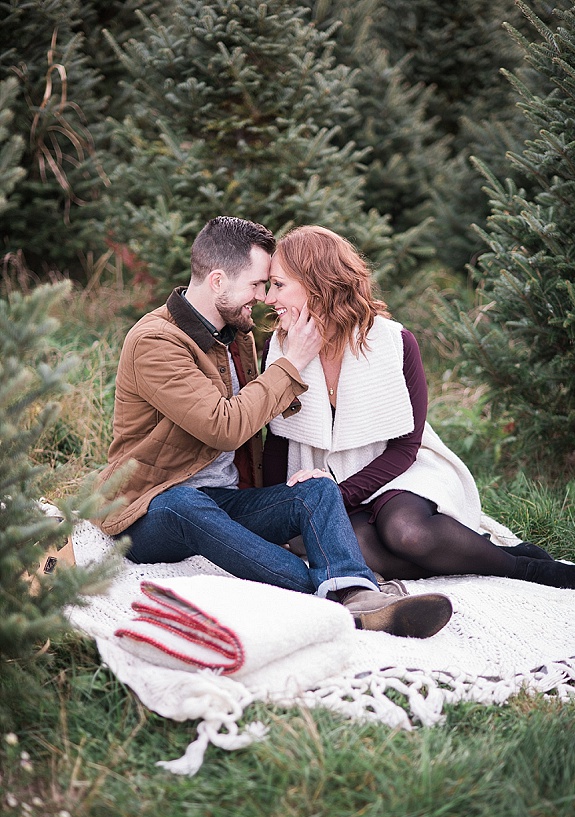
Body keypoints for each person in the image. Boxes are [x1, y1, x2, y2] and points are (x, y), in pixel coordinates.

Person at [94, 216, 453, 638]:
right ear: (217, 280)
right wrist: (292, 363)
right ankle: (342, 598)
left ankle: (354, 590)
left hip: (225, 500)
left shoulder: (236, 334)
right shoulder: (156, 341)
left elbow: (265, 425)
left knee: (316, 490)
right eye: (256, 285)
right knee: (184, 505)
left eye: (270, 286)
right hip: (149, 508)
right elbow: (224, 427)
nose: (264, 298)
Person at [262, 224, 575, 592]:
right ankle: (484, 554)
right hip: (327, 483)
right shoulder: (278, 351)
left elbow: (406, 447)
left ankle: (521, 568)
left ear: (316, 282)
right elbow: (278, 440)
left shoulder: (395, 342)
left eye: (278, 285)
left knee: (407, 532)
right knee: (358, 548)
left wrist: (343, 494)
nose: (268, 298)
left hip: (401, 473)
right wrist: (283, 512)